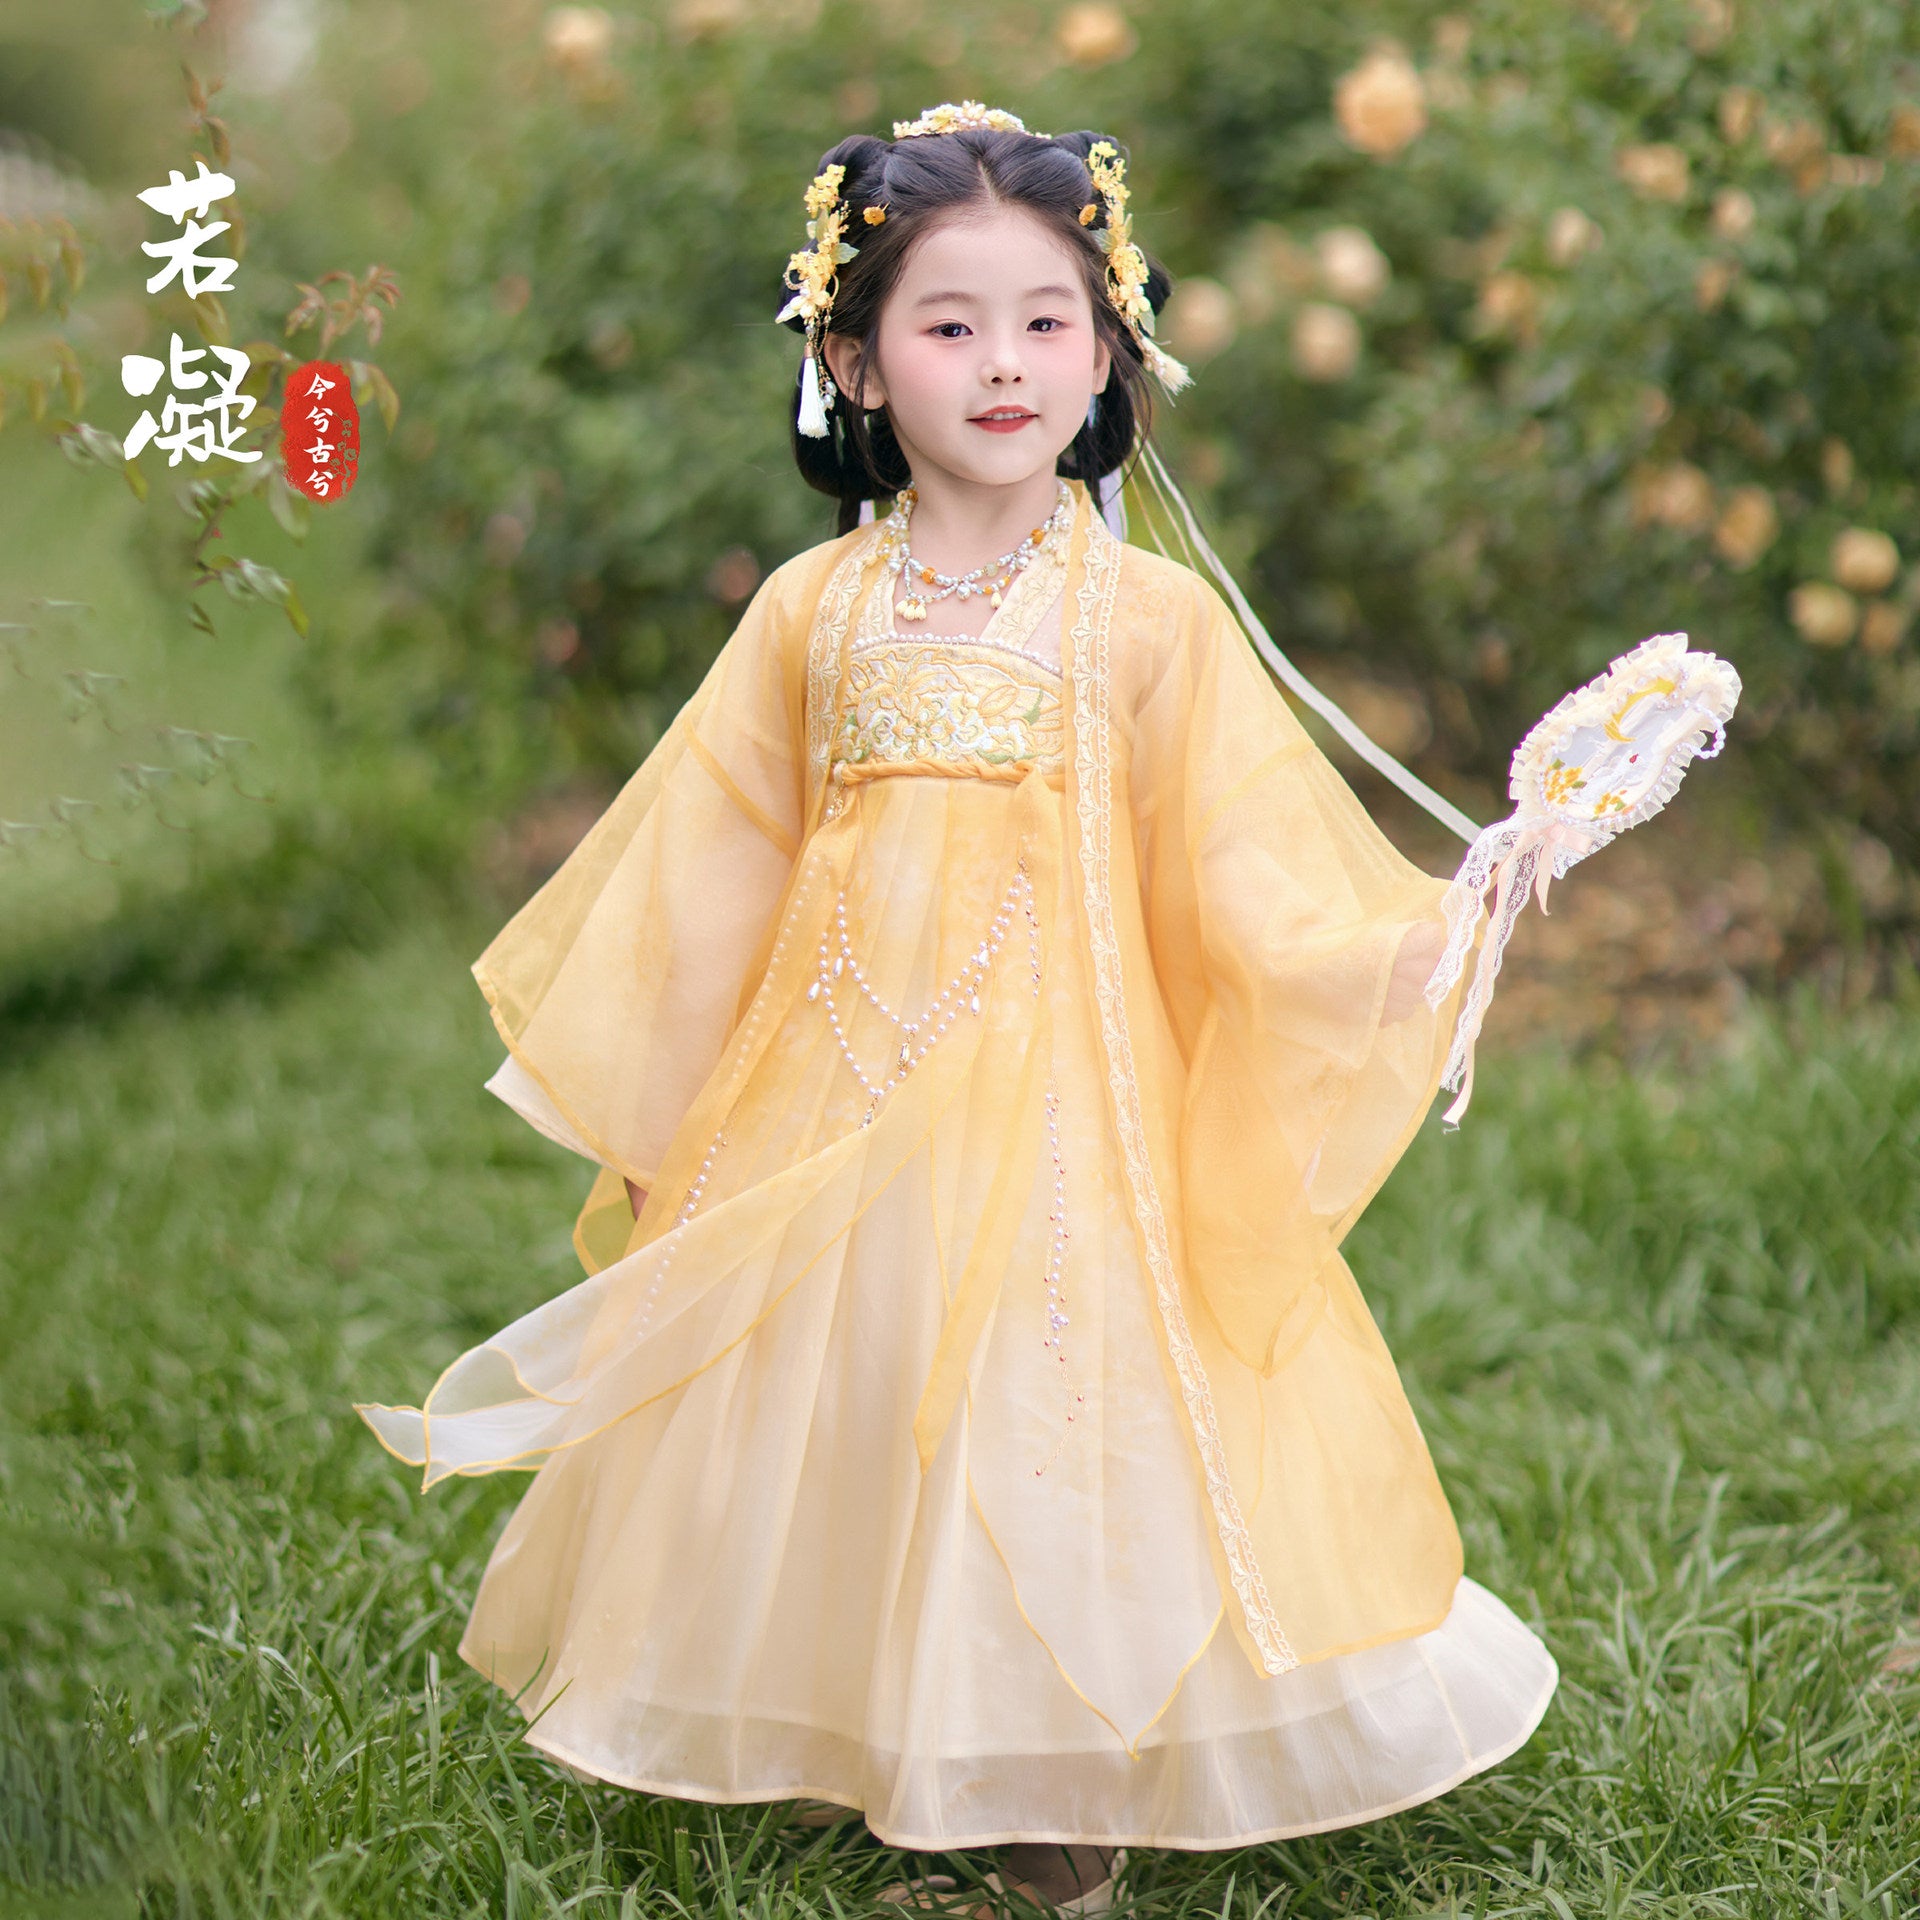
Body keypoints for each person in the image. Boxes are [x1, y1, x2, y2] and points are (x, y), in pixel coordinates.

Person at [357, 101, 1557, 1915]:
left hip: (1070, 1118)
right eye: (949, 324)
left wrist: (1403, 947)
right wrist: (663, 1109)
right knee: (840, 1405)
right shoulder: (811, 613)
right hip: (828, 1095)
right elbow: (711, 867)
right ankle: (847, 1721)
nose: (1005, 363)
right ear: (852, 361)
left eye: (1047, 321)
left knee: (1033, 1414)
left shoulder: (1144, 624)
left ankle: (1051, 1799)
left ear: (1108, 350)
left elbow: (1246, 874)